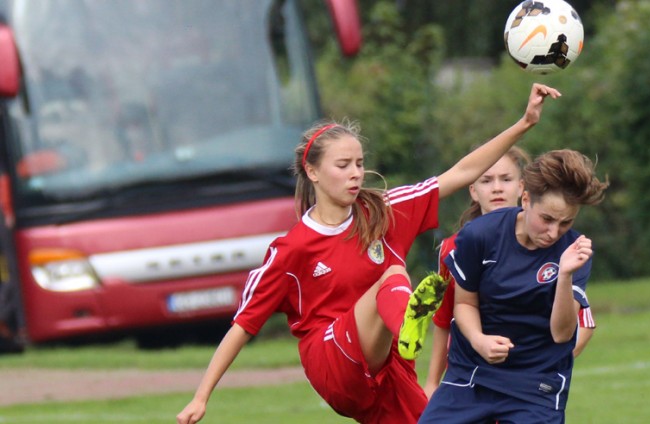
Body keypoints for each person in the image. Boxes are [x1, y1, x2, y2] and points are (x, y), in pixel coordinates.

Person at [176, 83, 561, 424]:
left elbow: (459, 172)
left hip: (389, 370)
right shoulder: (290, 249)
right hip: (332, 363)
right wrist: (201, 395)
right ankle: (409, 324)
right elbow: (243, 325)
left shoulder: (384, 211)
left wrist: (524, 123)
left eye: (359, 164)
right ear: (312, 172)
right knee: (392, 277)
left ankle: (406, 329)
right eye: (343, 165)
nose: (356, 173)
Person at [418, 149, 609, 423]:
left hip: (535, 388)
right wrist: (479, 340)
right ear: (526, 199)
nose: (554, 232)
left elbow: (562, 333)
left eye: (566, 222)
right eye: (547, 219)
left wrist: (565, 275)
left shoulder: (574, 251)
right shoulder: (479, 235)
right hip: (472, 376)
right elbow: (463, 303)